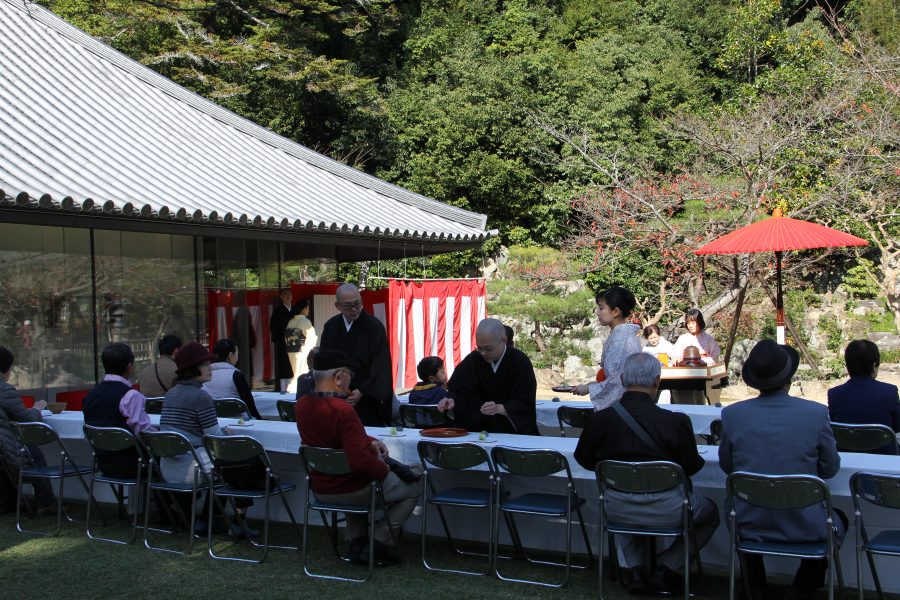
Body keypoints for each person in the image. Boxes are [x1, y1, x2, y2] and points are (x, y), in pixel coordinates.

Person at [574, 352, 719, 595]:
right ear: (657, 381)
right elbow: (693, 467)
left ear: (622, 380)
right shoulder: (675, 422)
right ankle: (667, 566)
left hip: (617, 506)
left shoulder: (600, 420)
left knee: (624, 496)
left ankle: (637, 568)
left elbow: (585, 460)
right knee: (711, 514)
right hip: (669, 508)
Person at [719, 339, 845, 600]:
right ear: (788, 377)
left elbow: (727, 466)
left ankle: (755, 584)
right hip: (806, 522)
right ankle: (804, 585)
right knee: (839, 519)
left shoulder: (732, 415)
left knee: (733, 506)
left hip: (748, 521)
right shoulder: (816, 413)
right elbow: (830, 468)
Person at [296, 349, 420, 565]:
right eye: (348, 377)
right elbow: (360, 462)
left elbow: (336, 438)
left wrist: (369, 439)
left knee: (353, 476)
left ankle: (358, 541)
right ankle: (378, 540)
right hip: (353, 489)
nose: (349, 383)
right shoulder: (343, 411)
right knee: (416, 483)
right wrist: (385, 469)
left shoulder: (302, 406)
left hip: (321, 489)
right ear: (338, 377)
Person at [159, 341, 264, 537]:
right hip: (192, 468)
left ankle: (210, 519)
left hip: (168, 467)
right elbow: (214, 437)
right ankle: (238, 520)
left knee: (226, 465)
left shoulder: (171, 394)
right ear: (193, 369)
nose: (211, 368)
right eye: (206, 364)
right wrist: (228, 436)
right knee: (241, 461)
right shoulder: (200, 397)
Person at [437, 318, 538, 435]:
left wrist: (501, 408)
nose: (483, 353)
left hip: (510, 431)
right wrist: (451, 400)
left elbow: (525, 399)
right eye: (479, 348)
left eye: (488, 349)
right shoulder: (472, 361)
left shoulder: (520, 361)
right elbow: (459, 389)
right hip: (476, 428)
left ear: (504, 340)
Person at [319, 283, 393, 426]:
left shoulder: (374, 327)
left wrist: (362, 391)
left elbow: (381, 365)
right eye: (348, 306)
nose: (354, 309)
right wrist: (335, 388)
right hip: (337, 395)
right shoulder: (331, 327)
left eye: (357, 304)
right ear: (337, 306)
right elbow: (324, 362)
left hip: (366, 398)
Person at [83, 343, 157, 478]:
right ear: (129, 366)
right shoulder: (130, 395)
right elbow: (144, 433)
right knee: (168, 460)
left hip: (103, 464)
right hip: (133, 464)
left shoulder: (90, 396)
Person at [0, 346, 56, 513]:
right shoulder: (4, 390)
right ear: (6, 369)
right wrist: (37, 408)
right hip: (5, 451)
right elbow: (29, 419)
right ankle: (46, 503)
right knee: (33, 451)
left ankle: (9, 502)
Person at [572, 286, 642, 411]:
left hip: (622, 408)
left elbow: (619, 382)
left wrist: (590, 389)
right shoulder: (620, 335)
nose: (598, 312)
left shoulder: (623, 339)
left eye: (601, 308)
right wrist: (592, 385)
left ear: (616, 312)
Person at [828, 339, 900, 451]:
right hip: (884, 456)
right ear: (874, 365)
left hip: (847, 455)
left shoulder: (834, 394)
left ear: (847, 365)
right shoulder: (889, 392)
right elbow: (897, 427)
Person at [203, 338, 262, 420]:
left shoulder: (204, 376)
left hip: (212, 420)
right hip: (238, 423)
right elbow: (250, 407)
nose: (237, 358)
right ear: (230, 355)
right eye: (237, 354)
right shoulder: (235, 375)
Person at [269, 288, 302, 393]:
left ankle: (294, 389)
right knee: (284, 366)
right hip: (284, 343)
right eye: (285, 294)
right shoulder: (278, 312)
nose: (288, 296)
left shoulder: (296, 310)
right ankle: (283, 390)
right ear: (281, 297)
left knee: (295, 365)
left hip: (295, 343)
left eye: (290, 294)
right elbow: (273, 327)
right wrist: (282, 337)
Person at [285, 299, 317, 395]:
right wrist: (310, 349)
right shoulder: (305, 321)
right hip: (303, 350)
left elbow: (286, 337)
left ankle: (292, 388)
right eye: (307, 308)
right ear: (304, 309)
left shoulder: (291, 321)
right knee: (302, 371)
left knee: (296, 371)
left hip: (291, 349)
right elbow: (312, 337)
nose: (308, 310)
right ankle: (299, 391)